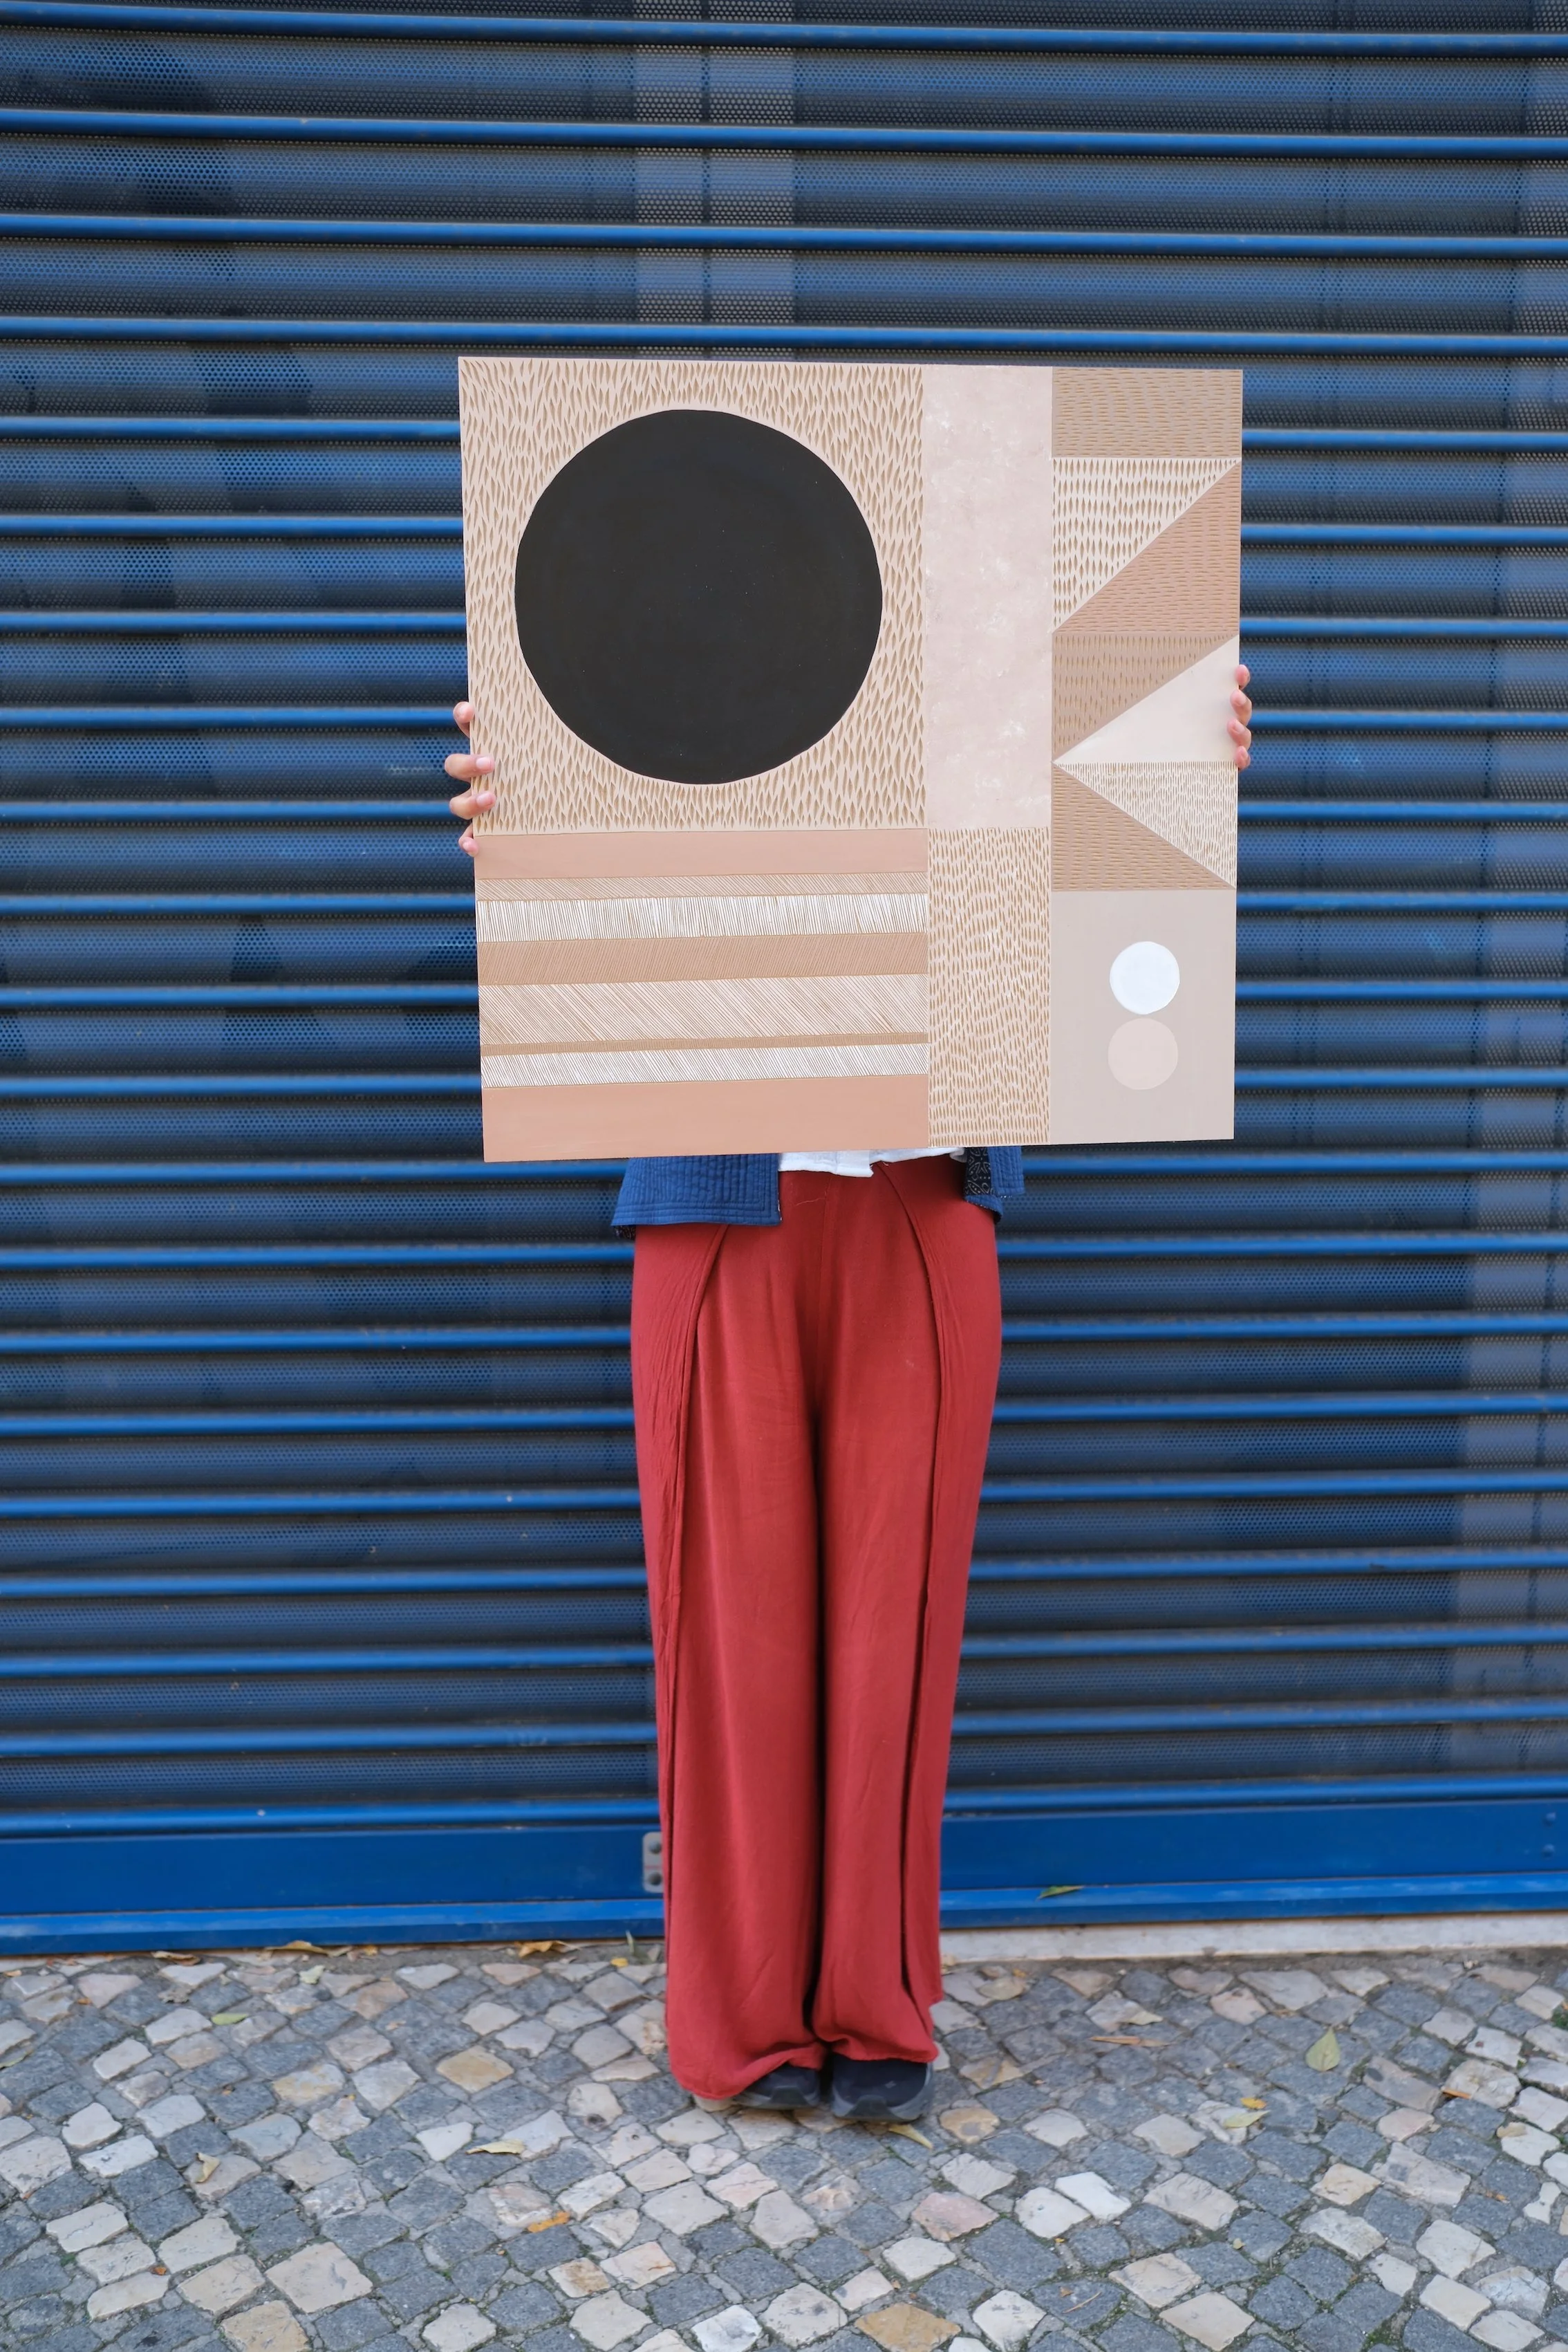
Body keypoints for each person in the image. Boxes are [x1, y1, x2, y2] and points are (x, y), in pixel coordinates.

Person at [447, 666, 1253, 2120]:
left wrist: (1176, 768)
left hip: (918, 1191)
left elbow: (1095, 898)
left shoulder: (1000, 621)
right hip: (716, 1190)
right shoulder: (680, 603)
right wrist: (528, 827)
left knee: (901, 1626)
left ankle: (875, 2003)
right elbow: (598, 866)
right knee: (730, 1635)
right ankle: (745, 2013)